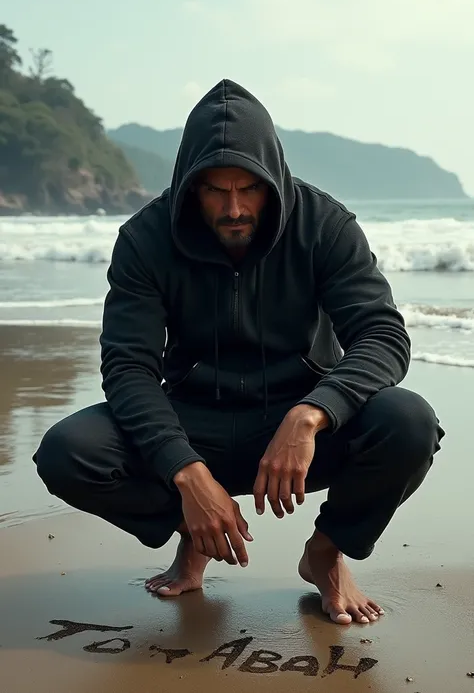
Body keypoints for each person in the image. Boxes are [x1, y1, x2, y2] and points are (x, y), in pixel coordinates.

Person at [33, 79, 444, 626]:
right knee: (68, 452)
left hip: (297, 429)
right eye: (214, 191)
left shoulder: (324, 225)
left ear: (273, 180)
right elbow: (129, 367)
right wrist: (183, 471)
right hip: (194, 418)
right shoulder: (145, 239)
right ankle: (196, 531)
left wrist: (313, 412)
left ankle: (327, 552)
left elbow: (382, 335)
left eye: (248, 189)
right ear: (188, 186)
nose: (233, 209)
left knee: (410, 422)